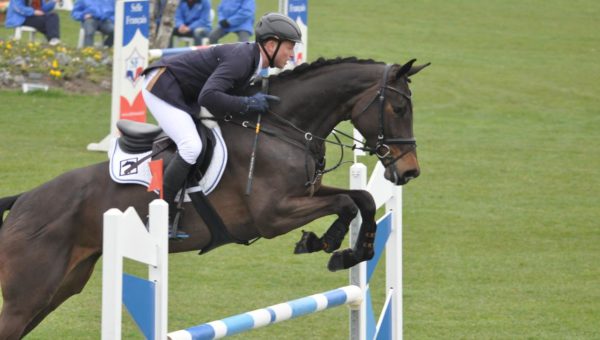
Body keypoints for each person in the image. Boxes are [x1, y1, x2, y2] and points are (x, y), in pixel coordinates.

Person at [141, 12, 301, 229]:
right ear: (271, 45)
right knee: (191, 146)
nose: (292, 54)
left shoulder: (253, 60)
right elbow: (207, 97)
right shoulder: (243, 59)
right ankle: (160, 214)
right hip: (161, 85)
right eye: (290, 47)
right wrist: (247, 104)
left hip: (183, 89)